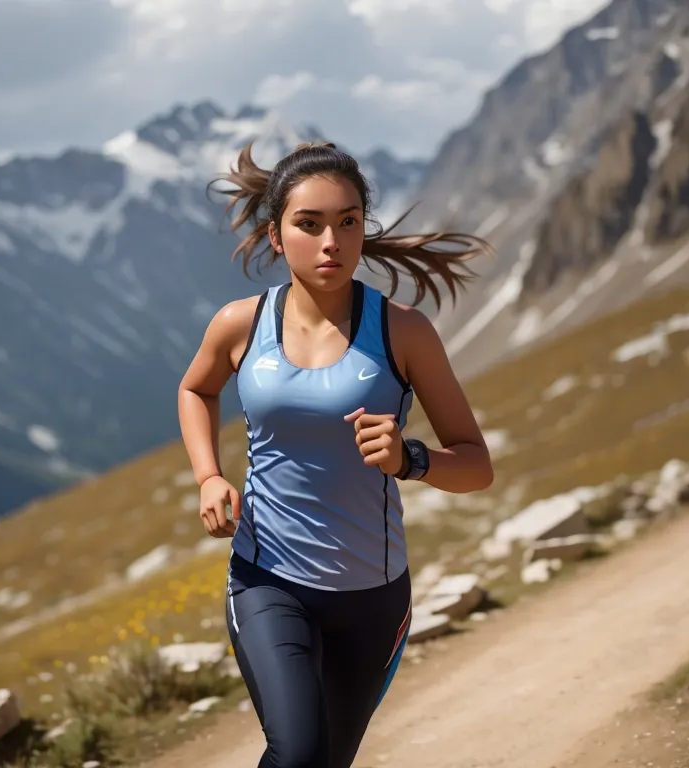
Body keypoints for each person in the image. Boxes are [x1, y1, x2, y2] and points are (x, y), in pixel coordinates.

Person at [176, 140, 495, 768]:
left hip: (372, 599)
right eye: (310, 224)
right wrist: (208, 477)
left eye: (349, 222)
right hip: (268, 580)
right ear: (276, 235)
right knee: (296, 754)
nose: (332, 241)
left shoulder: (402, 331)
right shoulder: (241, 324)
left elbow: (476, 464)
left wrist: (411, 459)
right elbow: (196, 388)